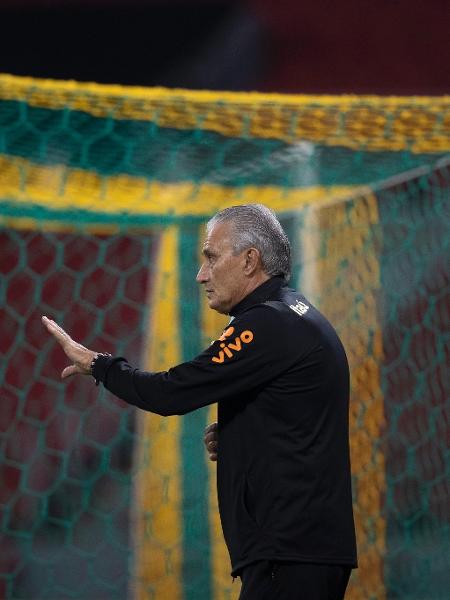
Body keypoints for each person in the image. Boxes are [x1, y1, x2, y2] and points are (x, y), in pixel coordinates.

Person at [42, 204, 357, 599]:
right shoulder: (296, 313)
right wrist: (245, 435)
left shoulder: (267, 322)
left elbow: (170, 392)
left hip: (290, 551)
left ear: (249, 261)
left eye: (210, 257)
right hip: (303, 548)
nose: (201, 275)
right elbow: (298, 420)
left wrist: (99, 364)